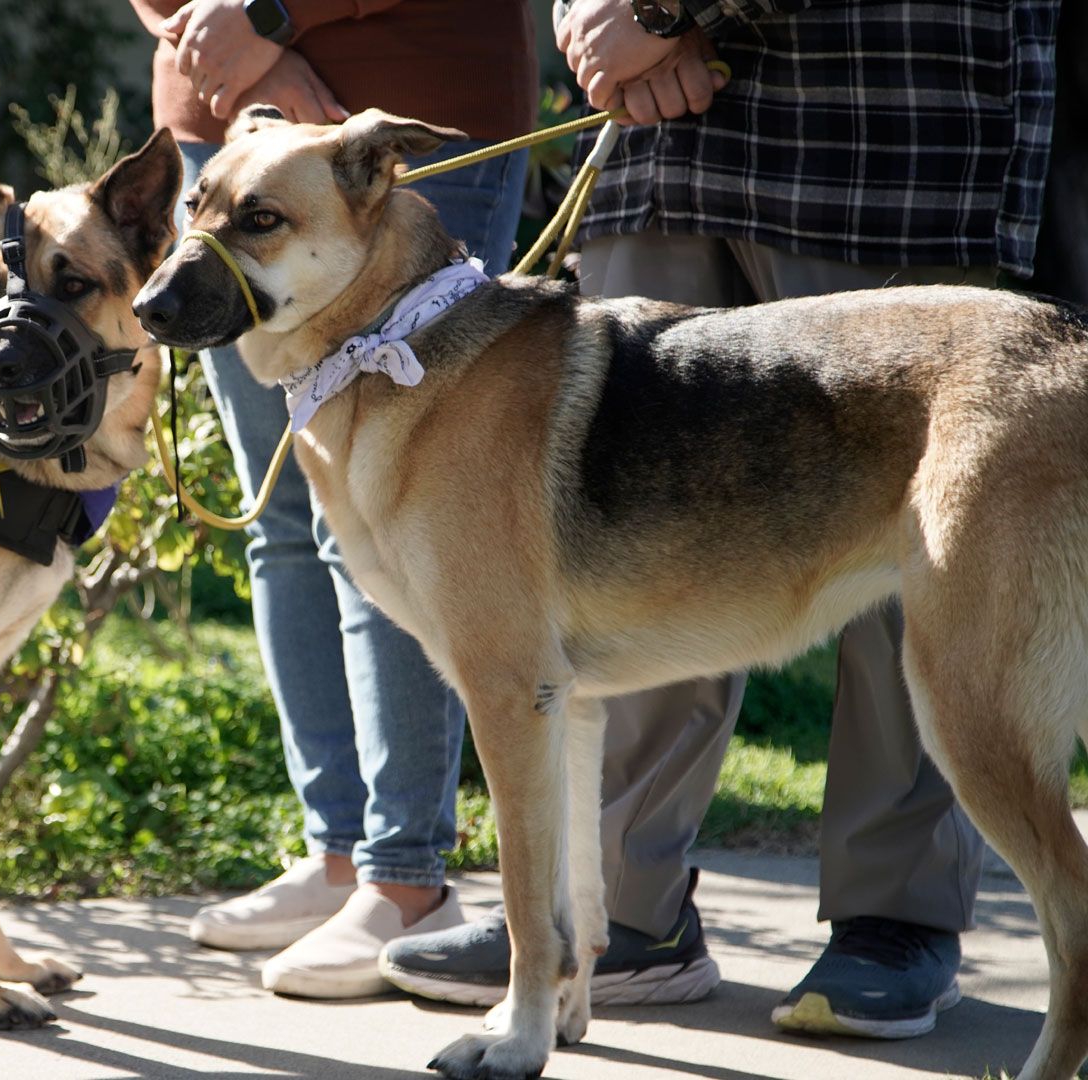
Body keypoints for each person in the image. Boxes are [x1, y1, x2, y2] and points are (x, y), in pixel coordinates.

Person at [381, 0, 1062, 1036]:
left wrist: (667, 10)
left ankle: (896, 919)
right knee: (614, 562)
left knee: (908, 574)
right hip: (661, 158)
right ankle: (615, 913)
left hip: (881, 128)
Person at [127, 0, 537, 998]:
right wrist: (227, 52)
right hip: (221, 125)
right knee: (283, 525)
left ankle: (405, 878)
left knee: (392, 526)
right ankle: (339, 854)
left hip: (415, 90)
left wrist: (270, 20)